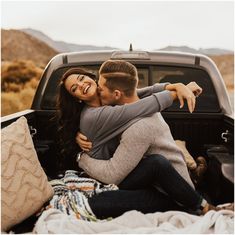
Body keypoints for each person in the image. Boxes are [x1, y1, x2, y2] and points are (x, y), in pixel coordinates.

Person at [56, 61, 227, 217]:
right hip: (105, 177)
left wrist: (176, 85)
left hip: (123, 171)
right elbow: (141, 105)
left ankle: (188, 191)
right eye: (74, 88)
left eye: (81, 78)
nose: (81, 85)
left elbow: (141, 92)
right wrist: (179, 92)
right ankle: (201, 205)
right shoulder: (93, 116)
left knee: (156, 163)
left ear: (92, 79)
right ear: (76, 98)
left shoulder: (107, 100)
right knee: (163, 187)